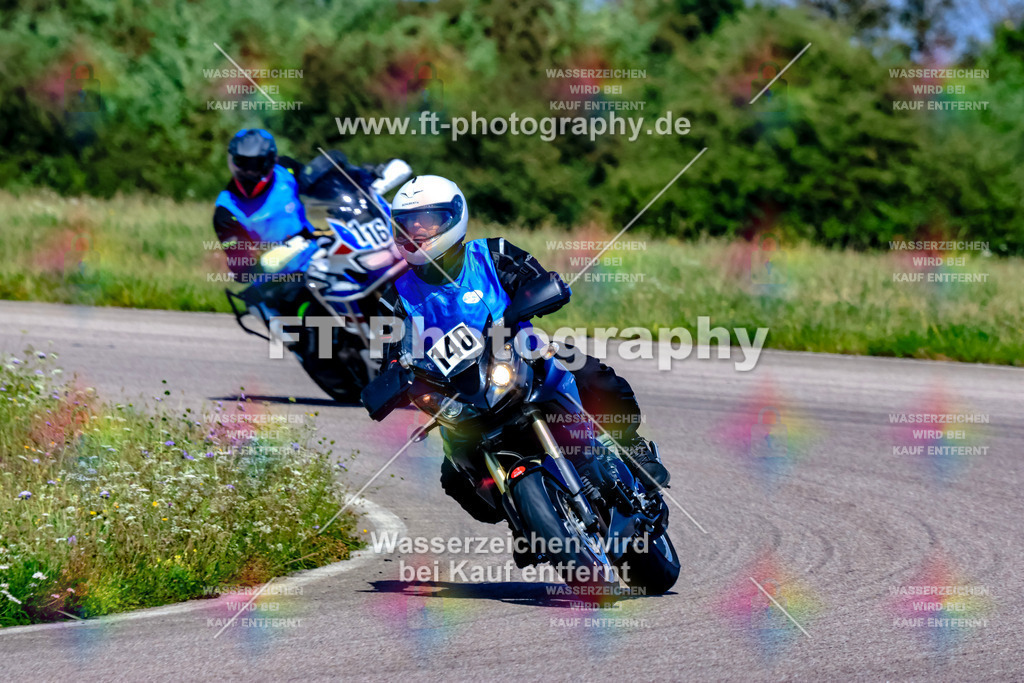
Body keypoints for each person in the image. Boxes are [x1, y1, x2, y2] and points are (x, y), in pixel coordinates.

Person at [376, 175, 669, 523]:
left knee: (585, 369)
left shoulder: (492, 254)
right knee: (455, 478)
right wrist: (392, 383)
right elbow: (392, 358)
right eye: (407, 222)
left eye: (428, 219)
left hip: (520, 358)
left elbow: (536, 280)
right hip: (462, 395)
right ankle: (528, 518)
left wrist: (538, 295)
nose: (417, 229)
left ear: (453, 218)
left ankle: (630, 444)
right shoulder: (395, 298)